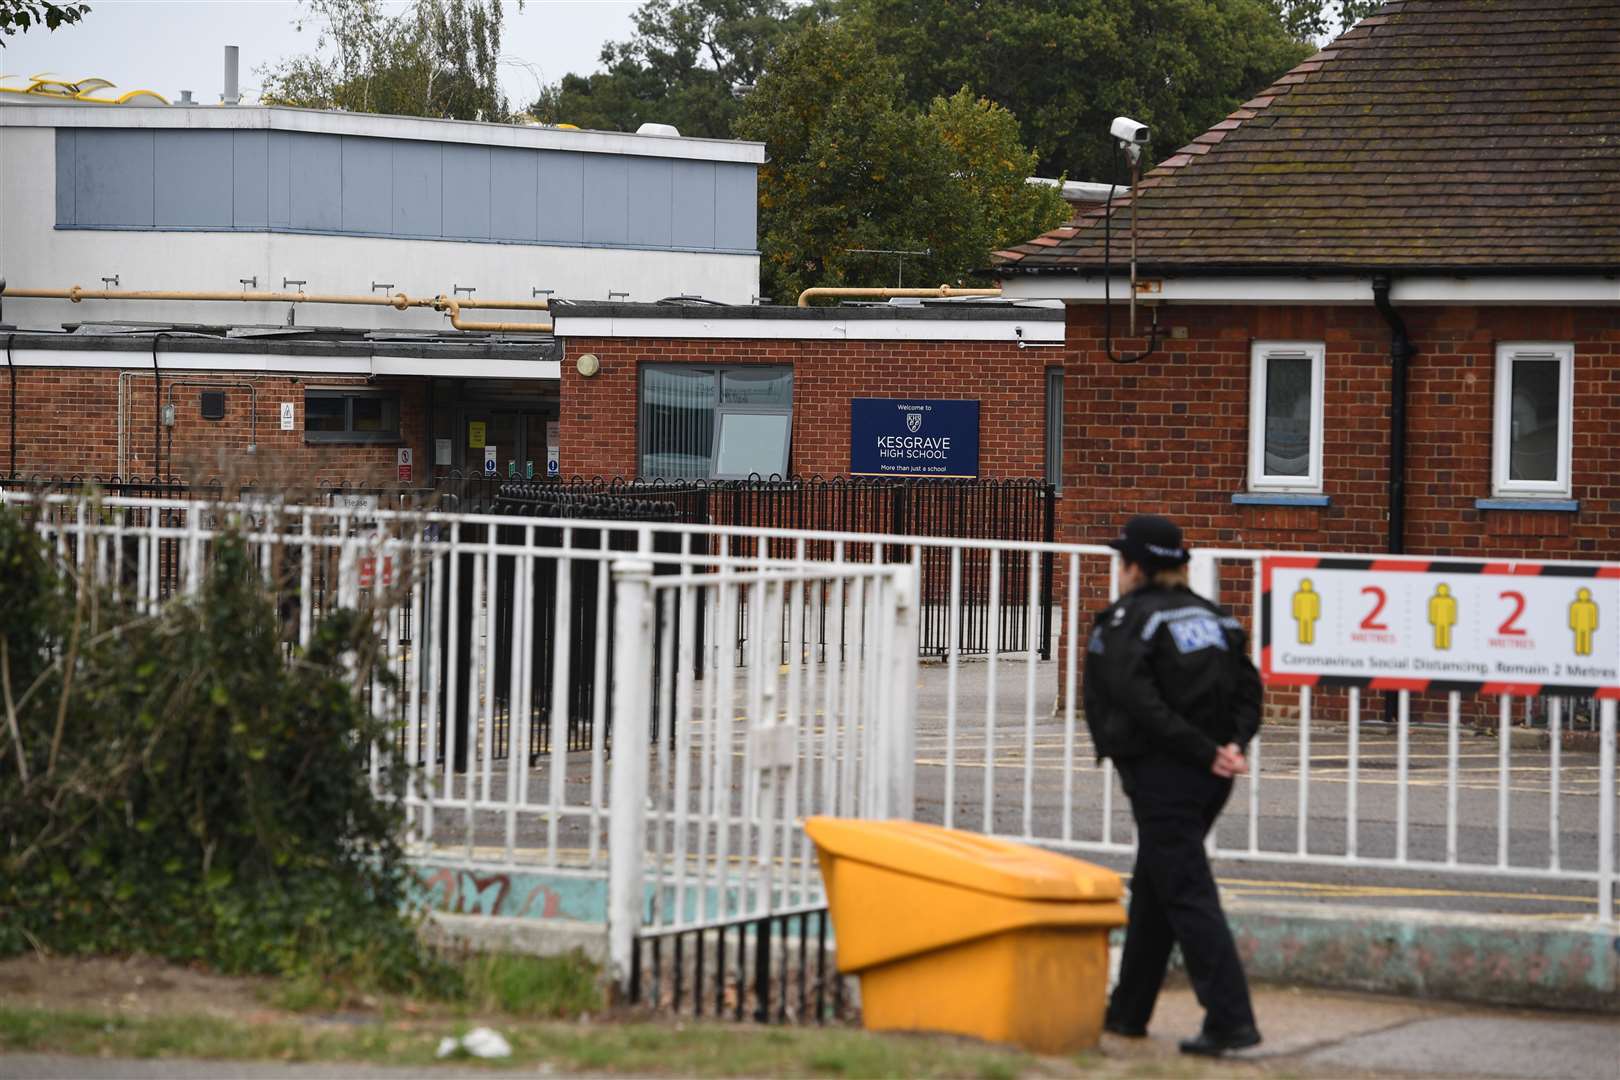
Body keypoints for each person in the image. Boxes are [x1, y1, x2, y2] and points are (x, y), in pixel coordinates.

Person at [1081, 514, 1263, 1056]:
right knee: (1157, 884)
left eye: (1122, 562)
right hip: (1210, 775)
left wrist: (1205, 752)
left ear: (1135, 567)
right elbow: (1249, 692)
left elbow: (1137, 701)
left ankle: (1231, 1019)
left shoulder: (1127, 622)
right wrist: (1232, 745)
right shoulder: (1216, 619)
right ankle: (1128, 1012)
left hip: (1165, 775)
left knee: (1184, 889)